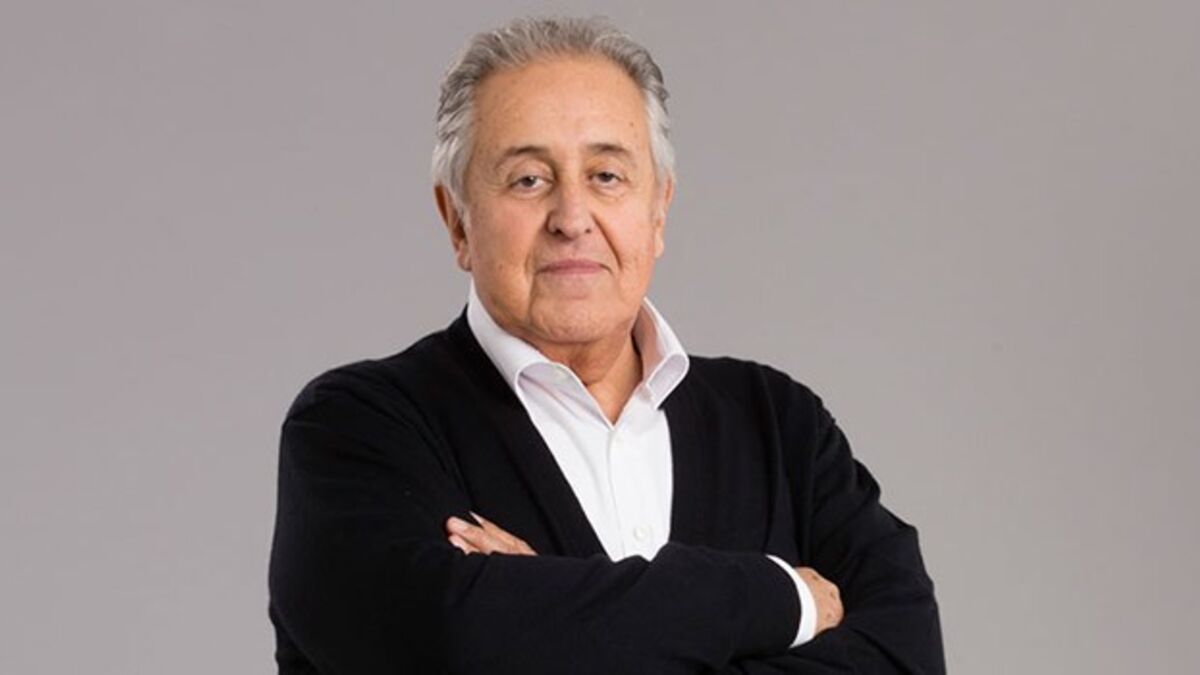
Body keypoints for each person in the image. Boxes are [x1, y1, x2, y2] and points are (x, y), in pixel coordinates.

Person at [268, 16, 944, 674]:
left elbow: (908, 655)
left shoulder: (779, 424)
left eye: (607, 176)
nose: (571, 218)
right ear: (458, 222)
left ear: (659, 210)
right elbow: (448, 641)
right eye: (528, 179)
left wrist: (548, 623)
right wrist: (782, 597)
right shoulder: (357, 428)